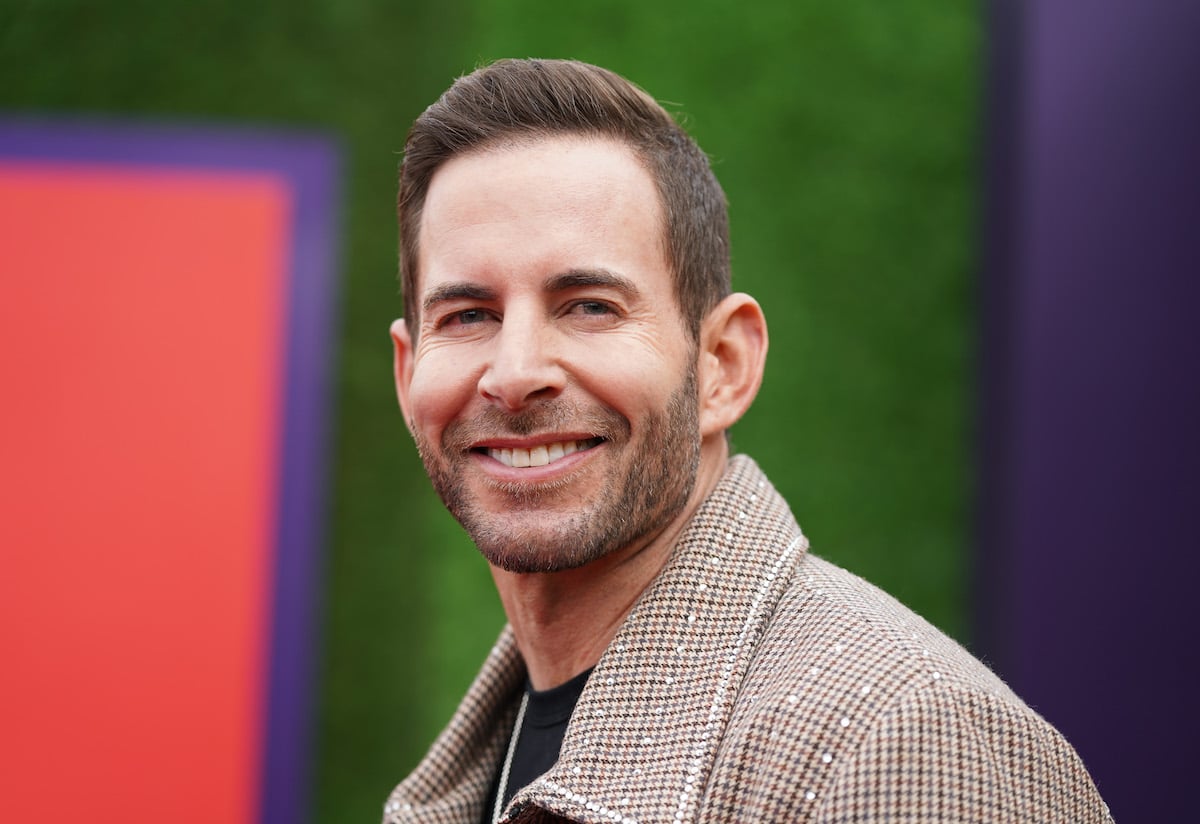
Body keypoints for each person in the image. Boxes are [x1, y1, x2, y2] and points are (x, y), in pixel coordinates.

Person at [383, 59, 1109, 824]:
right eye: (467, 315)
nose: (516, 372)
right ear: (408, 374)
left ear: (723, 365)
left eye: (588, 306)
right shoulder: (491, 757)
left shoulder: (905, 740)